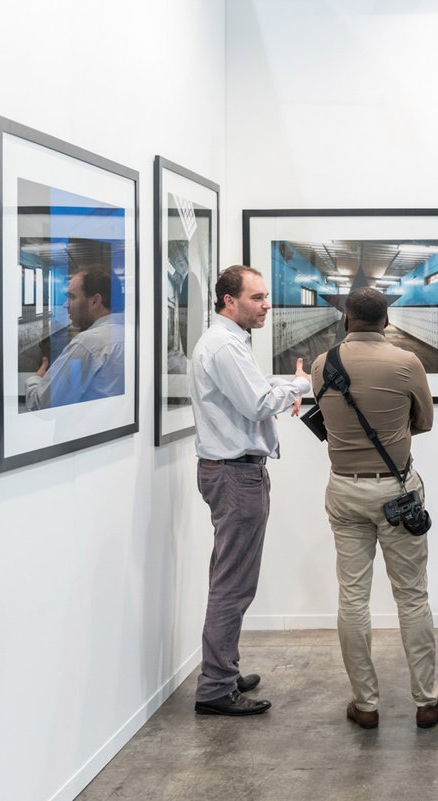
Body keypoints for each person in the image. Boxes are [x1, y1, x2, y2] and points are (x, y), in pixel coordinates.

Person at [311, 287, 438, 730]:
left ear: (346, 319)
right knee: (412, 597)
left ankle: (365, 704)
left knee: (352, 597)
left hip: (344, 490)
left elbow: (326, 420)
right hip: (396, 491)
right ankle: (427, 701)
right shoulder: (407, 363)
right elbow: (425, 422)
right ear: (386, 321)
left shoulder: (321, 364)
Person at [189, 265, 310, 716]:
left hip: (232, 471)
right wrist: (299, 384)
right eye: (257, 297)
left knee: (231, 578)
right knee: (233, 585)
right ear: (229, 300)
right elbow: (258, 402)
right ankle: (217, 687)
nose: (266, 305)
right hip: (235, 475)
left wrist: (285, 386)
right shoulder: (224, 346)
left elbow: (254, 392)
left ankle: (223, 668)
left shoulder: (229, 342)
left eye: (265, 296)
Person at [25, 266, 125, 411]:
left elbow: (43, 404)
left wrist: (36, 379)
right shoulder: (133, 335)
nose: (66, 305)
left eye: (72, 297)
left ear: (95, 301)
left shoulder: (87, 345)